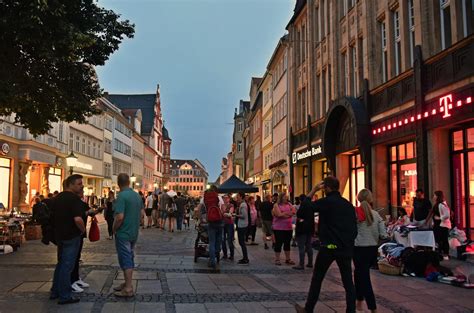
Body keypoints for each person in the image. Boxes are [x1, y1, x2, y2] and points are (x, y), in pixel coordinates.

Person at [295, 176, 357, 313]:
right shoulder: (348, 205)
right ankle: (351, 311)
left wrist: (313, 190)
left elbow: (302, 211)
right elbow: (354, 228)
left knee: (317, 278)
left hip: (328, 247)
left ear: (326, 188)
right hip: (344, 247)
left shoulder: (326, 202)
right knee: (348, 282)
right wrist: (348, 243)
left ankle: (308, 309)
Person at [50, 175, 86, 305]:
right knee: (67, 266)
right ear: (70, 185)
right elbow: (78, 219)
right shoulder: (74, 199)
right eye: (79, 183)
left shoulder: (58, 198)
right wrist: (82, 230)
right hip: (71, 236)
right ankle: (65, 295)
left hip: (60, 235)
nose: (81, 186)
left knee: (60, 264)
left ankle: (55, 291)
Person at [353, 189, 387, 313]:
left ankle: (372, 307)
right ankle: (359, 302)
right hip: (372, 249)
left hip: (359, 249)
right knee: (359, 275)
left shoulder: (356, 213)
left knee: (364, 278)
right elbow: (383, 235)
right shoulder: (376, 215)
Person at [113, 173, 143, 297]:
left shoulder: (121, 196)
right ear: (129, 182)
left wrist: (114, 228)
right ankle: (126, 283)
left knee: (125, 259)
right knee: (129, 256)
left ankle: (128, 288)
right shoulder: (137, 196)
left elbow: (119, 217)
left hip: (123, 232)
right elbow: (142, 215)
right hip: (133, 233)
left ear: (118, 183)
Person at [202, 185, 224, 269]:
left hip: (210, 221)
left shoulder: (205, 198)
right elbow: (222, 209)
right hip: (219, 221)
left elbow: (202, 208)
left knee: (211, 242)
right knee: (219, 240)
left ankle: (212, 261)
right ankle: (217, 252)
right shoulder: (218, 197)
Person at [272, 192, 295, 266]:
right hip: (279, 228)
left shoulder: (289, 204)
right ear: (281, 198)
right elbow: (278, 214)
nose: (287, 198)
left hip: (288, 227)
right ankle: (277, 259)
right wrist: (288, 214)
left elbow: (294, 212)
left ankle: (288, 259)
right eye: (285, 197)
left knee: (287, 243)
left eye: (287, 197)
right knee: (279, 243)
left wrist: (284, 213)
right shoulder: (276, 205)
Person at [293, 194, 314, 270]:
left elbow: (300, 218)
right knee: (309, 246)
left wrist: (299, 220)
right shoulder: (311, 207)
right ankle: (310, 262)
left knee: (301, 247)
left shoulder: (302, 208)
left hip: (302, 229)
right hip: (309, 229)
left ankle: (301, 264)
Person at [429, 190, 451, 260]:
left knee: (444, 240)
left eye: (435, 195)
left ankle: (445, 254)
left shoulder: (442, 204)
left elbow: (447, 215)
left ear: (438, 196)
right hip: (437, 225)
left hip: (442, 225)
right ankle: (440, 254)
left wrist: (439, 218)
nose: (434, 197)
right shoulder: (437, 204)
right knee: (438, 240)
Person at [235, 192, 249, 265]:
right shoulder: (242, 204)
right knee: (241, 242)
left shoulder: (243, 205)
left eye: (237, 196)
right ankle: (245, 257)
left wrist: (235, 215)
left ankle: (245, 258)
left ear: (241, 196)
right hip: (242, 225)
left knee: (242, 242)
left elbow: (243, 215)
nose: (237, 197)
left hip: (242, 225)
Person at [221, 194, 235, 261]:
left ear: (229, 199)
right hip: (223, 224)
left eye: (227, 198)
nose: (225, 199)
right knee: (223, 240)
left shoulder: (231, 205)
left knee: (229, 240)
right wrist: (226, 214)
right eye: (224, 198)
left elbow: (230, 214)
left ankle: (232, 255)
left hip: (229, 224)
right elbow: (222, 213)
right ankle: (225, 255)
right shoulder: (222, 205)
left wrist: (224, 213)